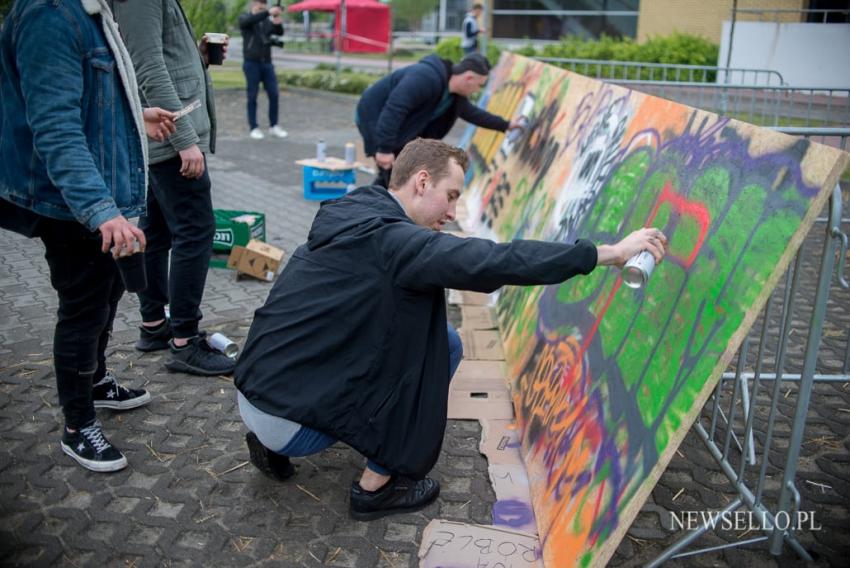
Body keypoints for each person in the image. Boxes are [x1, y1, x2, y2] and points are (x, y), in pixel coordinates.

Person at [234, 138, 668, 520]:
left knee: (429, 336)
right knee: (434, 349)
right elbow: (500, 261)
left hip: (254, 393)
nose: (453, 212)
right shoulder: (398, 244)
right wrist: (607, 253)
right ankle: (376, 488)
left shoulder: (353, 214)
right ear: (422, 182)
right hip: (292, 425)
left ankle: (271, 447)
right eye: (451, 196)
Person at [0, 0, 177, 471]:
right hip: (75, 206)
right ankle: (78, 424)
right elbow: (54, 128)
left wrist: (138, 116)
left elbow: (89, 102)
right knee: (83, 310)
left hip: (102, 197)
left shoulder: (89, 10)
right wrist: (101, 211)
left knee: (108, 296)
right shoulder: (49, 16)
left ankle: (95, 382)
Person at [111, 0, 237, 376]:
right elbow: (147, 67)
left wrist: (198, 57)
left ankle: (154, 325)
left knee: (159, 232)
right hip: (168, 138)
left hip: (164, 138)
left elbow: (160, 56)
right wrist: (183, 139)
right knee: (195, 231)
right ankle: (184, 341)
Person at [355, 52, 522, 188]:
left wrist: (506, 125)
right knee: (395, 175)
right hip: (373, 116)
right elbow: (395, 108)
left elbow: (474, 114)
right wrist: (384, 148)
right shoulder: (425, 77)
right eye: (479, 85)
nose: (476, 91)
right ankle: (369, 213)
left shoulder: (454, 96)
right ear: (469, 78)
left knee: (398, 176)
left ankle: (378, 211)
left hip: (397, 126)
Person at [239, 0, 288, 140]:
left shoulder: (266, 20)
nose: (262, 4)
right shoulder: (245, 17)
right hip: (251, 63)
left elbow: (278, 32)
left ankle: (274, 126)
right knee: (252, 96)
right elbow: (247, 22)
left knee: (274, 94)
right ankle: (253, 127)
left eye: (264, 3)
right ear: (252, 3)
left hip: (267, 63)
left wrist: (278, 22)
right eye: (259, 2)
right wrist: (267, 12)